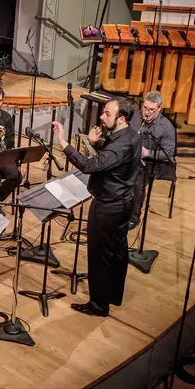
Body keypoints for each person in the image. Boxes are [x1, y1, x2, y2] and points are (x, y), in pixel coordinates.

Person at [51, 97, 141, 317]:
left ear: (121, 119)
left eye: (107, 114)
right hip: (122, 204)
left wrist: (64, 143)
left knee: (100, 256)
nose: (101, 117)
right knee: (117, 254)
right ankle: (113, 296)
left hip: (109, 208)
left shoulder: (122, 143)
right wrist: (95, 142)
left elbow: (90, 165)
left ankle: (99, 305)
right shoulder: (131, 135)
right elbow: (112, 157)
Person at [129, 91, 176, 229]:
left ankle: (134, 216)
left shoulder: (166, 127)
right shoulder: (135, 117)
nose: (147, 113)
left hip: (152, 164)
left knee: (137, 181)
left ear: (159, 108)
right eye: (145, 108)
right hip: (130, 157)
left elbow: (168, 154)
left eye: (151, 110)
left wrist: (147, 152)